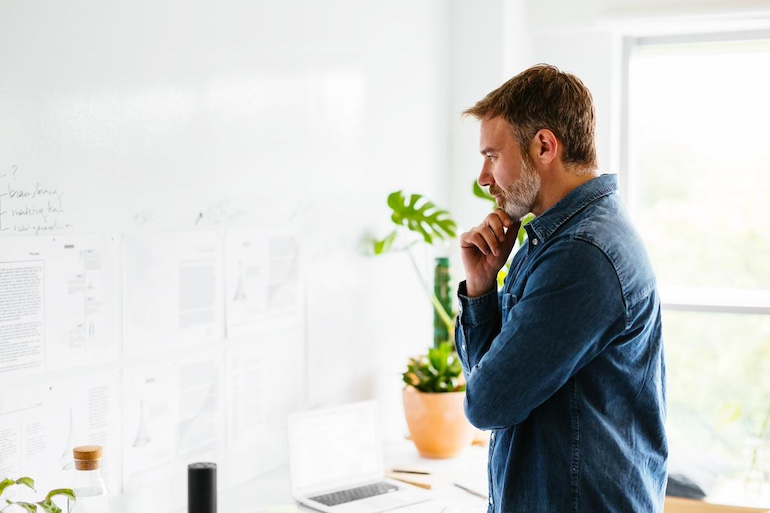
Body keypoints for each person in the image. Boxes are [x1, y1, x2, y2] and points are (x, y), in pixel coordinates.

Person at [455, 63, 667, 512]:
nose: (483, 178)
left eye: (492, 155)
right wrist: (480, 287)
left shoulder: (582, 253)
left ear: (545, 146)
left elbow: (487, 404)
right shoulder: (553, 241)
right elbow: (492, 379)